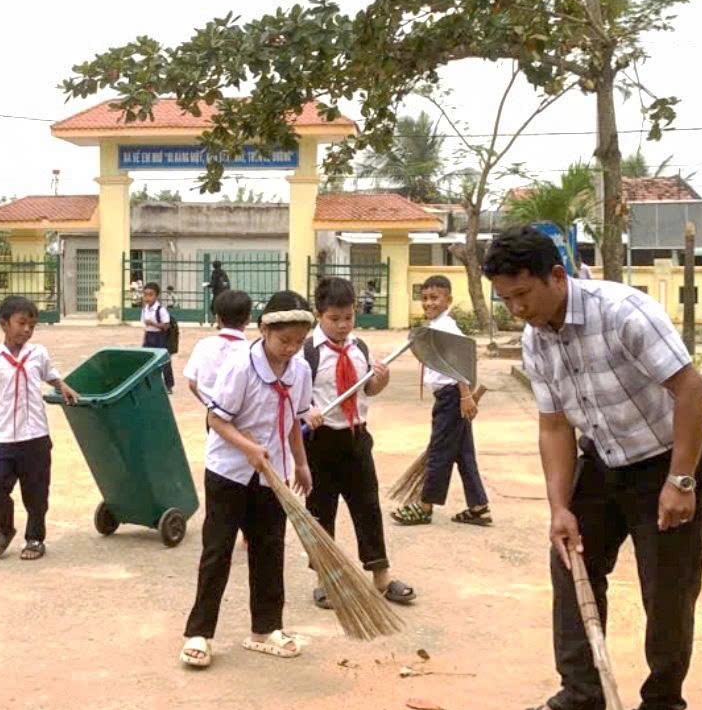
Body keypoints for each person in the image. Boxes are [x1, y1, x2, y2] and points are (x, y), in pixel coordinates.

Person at [482, 225, 702, 710]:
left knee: (667, 587)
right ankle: (584, 696)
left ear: (556, 276)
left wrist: (681, 480)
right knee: (572, 562)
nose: (516, 309)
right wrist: (559, 507)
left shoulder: (623, 313)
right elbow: (554, 426)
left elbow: (691, 391)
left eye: (523, 294)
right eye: (506, 299)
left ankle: (661, 707)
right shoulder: (535, 338)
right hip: (604, 459)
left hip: (670, 457)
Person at [179, 289, 314, 668]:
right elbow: (216, 419)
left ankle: (266, 629)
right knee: (218, 550)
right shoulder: (240, 366)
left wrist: (301, 464)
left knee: (269, 549)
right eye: (284, 340)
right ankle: (199, 633)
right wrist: (249, 448)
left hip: (273, 474)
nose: (291, 349)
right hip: (229, 471)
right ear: (264, 330)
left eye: (298, 341)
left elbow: (293, 421)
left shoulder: (300, 369)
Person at [303, 276, 415, 609]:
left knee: (367, 506)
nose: (342, 325)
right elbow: (294, 397)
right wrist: (307, 411)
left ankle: (381, 577)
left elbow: (368, 391)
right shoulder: (307, 353)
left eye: (348, 317)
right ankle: (326, 580)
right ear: (319, 314)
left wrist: (382, 380)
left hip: (356, 438)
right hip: (320, 442)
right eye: (334, 318)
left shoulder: (359, 348)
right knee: (321, 511)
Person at [0, 295, 78, 561]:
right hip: (5, 438)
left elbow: (50, 375)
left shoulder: (38, 354)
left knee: (36, 493)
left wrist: (62, 386)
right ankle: (4, 529)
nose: (27, 330)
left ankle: (35, 538)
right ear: (4, 324)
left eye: (31, 326)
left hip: (36, 436)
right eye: (21, 323)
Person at [391, 274, 490, 527]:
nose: (428, 303)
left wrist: (465, 395)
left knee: (439, 452)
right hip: (450, 396)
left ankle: (425, 506)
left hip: (451, 397)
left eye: (434, 298)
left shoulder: (447, 327)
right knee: (463, 453)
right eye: (424, 298)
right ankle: (478, 506)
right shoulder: (437, 326)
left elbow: (460, 363)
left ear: (448, 300)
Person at [183, 290, 252, 407]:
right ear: (248, 319)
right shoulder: (253, 351)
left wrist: (210, 406)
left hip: (212, 410)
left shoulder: (204, 345)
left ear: (217, 318)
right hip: (244, 414)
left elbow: (192, 383)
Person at [141, 282, 175, 394]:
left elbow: (166, 325)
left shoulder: (161, 309)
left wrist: (153, 324)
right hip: (149, 336)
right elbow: (144, 324)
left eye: (151, 295)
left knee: (164, 362)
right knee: (146, 360)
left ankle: (168, 385)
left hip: (159, 337)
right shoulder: (145, 309)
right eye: (145, 295)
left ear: (157, 296)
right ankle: (149, 384)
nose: (147, 298)